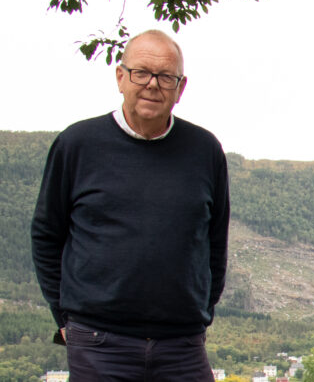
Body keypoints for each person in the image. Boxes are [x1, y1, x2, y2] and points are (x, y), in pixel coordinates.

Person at [31, 30, 230, 381]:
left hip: (181, 346)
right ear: (120, 77)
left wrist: (201, 313)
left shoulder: (205, 150)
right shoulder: (77, 145)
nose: (153, 84)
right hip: (98, 344)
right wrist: (64, 319)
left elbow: (215, 243)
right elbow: (47, 235)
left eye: (166, 77)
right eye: (142, 73)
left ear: (180, 88)